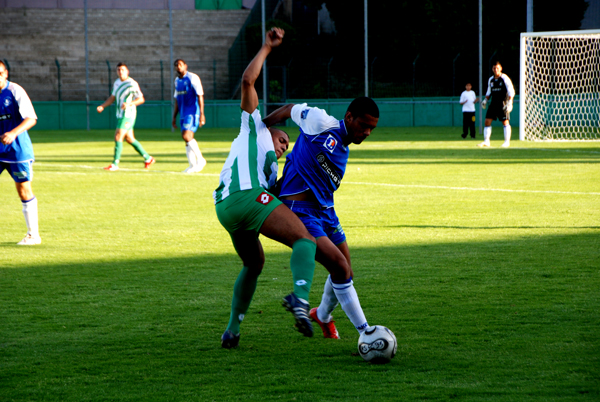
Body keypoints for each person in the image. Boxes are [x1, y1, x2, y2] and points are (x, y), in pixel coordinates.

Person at [213, 27, 318, 349]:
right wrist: (266, 48)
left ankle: (232, 331)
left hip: (226, 208)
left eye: (288, 145)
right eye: (283, 139)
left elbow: (280, 195)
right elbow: (248, 82)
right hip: (245, 196)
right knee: (304, 240)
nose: (285, 145)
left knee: (254, 263)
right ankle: (300, 299)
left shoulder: (270, 171)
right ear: (271, 130)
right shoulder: (253, 124)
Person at [262, 96, 380, 340]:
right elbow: (288, 109)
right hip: (300, 210)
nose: (367, 132)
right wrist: (262, 127)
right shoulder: (320, 122)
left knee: (346, 270)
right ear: (349, 117)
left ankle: (322, 315)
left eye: (372, 128)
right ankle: (366, 332)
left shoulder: (344, 148)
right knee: (338, 267)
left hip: (327, 212)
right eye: (363, 126)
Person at [0, 61, 41, 245]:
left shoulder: (15, 91)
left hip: (17, 150)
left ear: (5, 73)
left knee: (23, 190)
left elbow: (31, 118)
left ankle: (33, 235)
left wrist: (13, 132)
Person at [97, 63, 155, 171]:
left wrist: (129, 104)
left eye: (123, 70)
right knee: (129, 139)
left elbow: (141, 99)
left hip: (128, 114)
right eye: (118, 70)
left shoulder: (132, 83)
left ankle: (115, 164)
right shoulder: (117, 83)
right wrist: (103, 106)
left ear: (127, 71)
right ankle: (148, 158)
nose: (120, 72)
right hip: (120, 114)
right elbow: (112, 97)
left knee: (118, 136)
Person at [172, 59, 207, 173]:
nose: (178, 67)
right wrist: (174, 116)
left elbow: (200, 95)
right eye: (176, 65)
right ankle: (192, 165)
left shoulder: (193, 78)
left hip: (192, 112)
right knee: (187, 139)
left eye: (180, 65)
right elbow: (177, 99)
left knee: (186, 136)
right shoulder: (177, 81)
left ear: (185, 66)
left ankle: (201, 159)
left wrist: (202, 114)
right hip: (183, 112)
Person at [478, 61, 515, 148]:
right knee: (487, 121)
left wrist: (510, 103)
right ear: (492, 69)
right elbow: (489, 91)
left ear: (501, 68)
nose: (496, 69)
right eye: (494, 68)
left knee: (505, 121)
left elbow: (511, 91)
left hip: (503, 103)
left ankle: (507, 142)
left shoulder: (504, 78)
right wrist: (485, 100)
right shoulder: (491, 79)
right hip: (493, 103)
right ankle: (486, 141)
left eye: (497, 68)